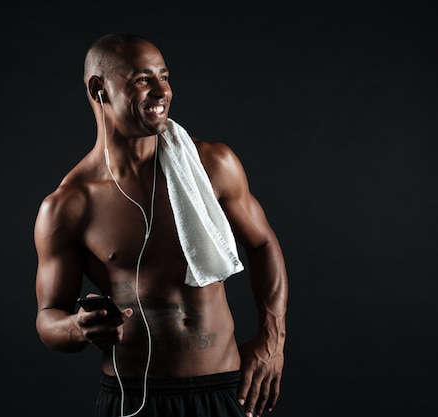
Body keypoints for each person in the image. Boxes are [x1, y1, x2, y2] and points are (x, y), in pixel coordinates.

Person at [34, 33, 288, 417]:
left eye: (164, 77)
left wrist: (273, 340)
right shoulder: (69, 204)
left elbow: (263, 244)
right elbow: (48, 316)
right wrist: (78, 328)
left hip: (221, 388)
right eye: (142, 79)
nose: (161, 91)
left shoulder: (212, 165)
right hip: (132, 396)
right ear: (98, 88)